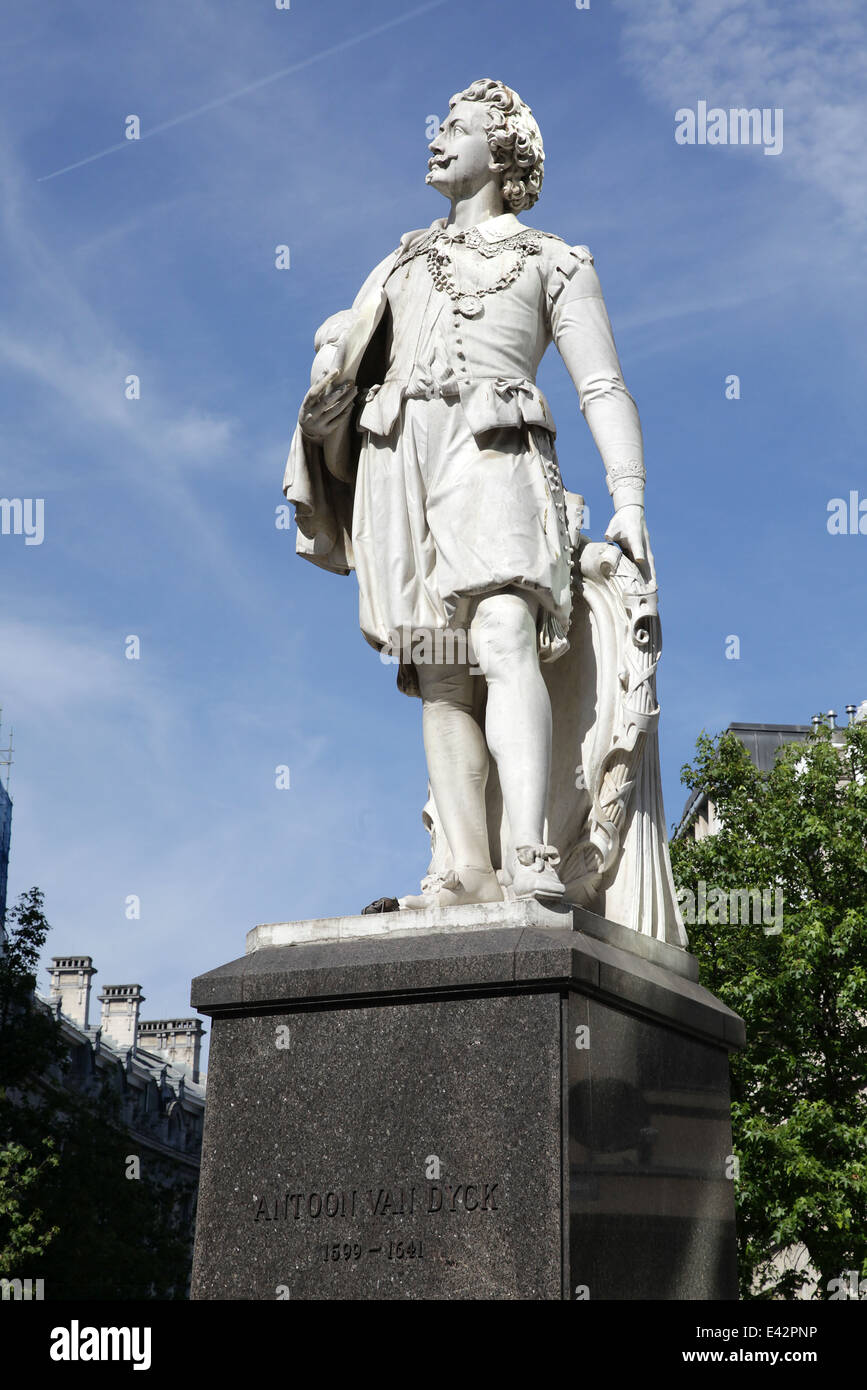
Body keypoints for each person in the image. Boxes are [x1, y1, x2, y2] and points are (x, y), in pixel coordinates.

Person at [286, 78, 652, 908]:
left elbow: (601, 386)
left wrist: (628, 497)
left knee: (500, 628)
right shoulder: (401, 258)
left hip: (494, 446)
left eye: (456, 127)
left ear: (505, 150)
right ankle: (465, 868)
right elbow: (348, 359)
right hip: (398, 455)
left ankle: (529, 854)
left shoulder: (553, 259)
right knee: (440, 671)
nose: (436, 137)